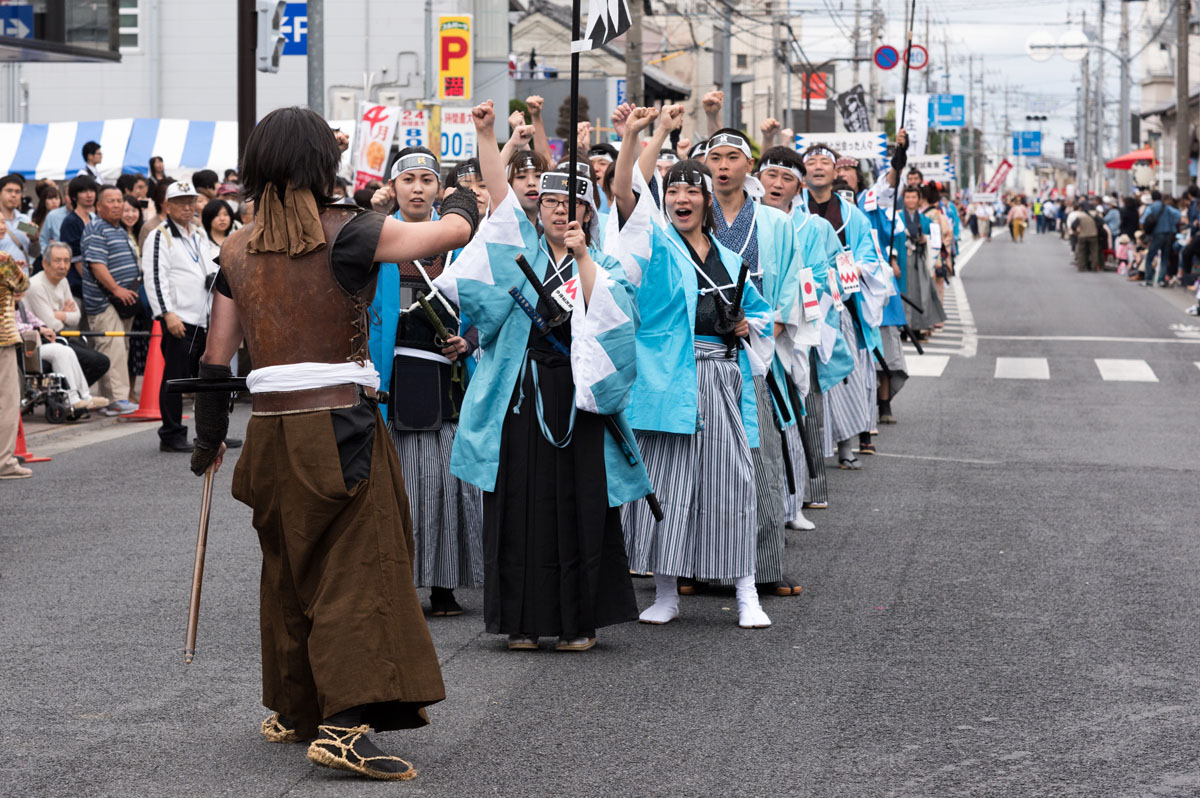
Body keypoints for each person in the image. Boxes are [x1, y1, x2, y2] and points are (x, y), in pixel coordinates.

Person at [190, 106, 479, 780]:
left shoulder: (235, 246)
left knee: (289, 567)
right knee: (359, 570)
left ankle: (296, 710)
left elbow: (215, 357)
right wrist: (463, 189)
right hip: (341, 423)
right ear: (322, 165)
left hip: (269, 429)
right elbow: (450, 234)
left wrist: (209, 442)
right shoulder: (348, 233)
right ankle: (346, 726)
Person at [433, 100, 651, 650]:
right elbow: (499, 199)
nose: (560, 212)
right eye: (552, 201)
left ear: (589, 212)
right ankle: (522, 620)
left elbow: (615, 323)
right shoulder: (516, 249)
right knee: (518, 502)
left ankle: (578, 621)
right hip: (521, 393)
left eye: (573, 203)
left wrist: (582, 262)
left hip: (578, 394)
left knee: (581, 504)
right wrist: (486, 135)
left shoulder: (604, 264)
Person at [615, 146, 775, 630]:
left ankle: (746, 590)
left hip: (723, 379)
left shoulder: (731, 258)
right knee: (669, 487)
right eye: (673, 190)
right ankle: (666, 591)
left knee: (733, 486)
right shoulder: (657, 247)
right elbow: (625, 194)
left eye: (690, 190)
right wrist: (639, 137)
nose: (680, 198)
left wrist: (749, 325)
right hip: (668, 383)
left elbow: (762, 313)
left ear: (707, 199)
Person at [366, 146, 484, 618]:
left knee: (449, 487)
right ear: (393, 188)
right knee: (403, 486)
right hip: (392, 377)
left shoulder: (462, 243)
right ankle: (397, 585)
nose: (417, 188)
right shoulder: (373, 237)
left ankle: (443, 586)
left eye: (427, 180)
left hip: (451, 379)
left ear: (440, 189)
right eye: (408, 179)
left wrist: (470, 341)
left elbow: (491, 303)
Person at [703, 126, 805, 598]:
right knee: (702, 462)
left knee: (758, 458)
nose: (723, 166)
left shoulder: (776, 223)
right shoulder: (690, 217)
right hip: (702, 353)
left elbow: (790, 288)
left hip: (754, 352)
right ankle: (698, 566)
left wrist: (767, 334)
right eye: (715, 157)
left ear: (750, 168)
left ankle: (764, 565)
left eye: (732, 157)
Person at [757, 144, 840, 521]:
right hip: (747, 331)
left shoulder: (814, 227)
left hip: (789, 330)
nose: (776, 184)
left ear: (799, 186)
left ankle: (793, 503)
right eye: (770, 175)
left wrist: (783, 318)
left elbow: (821, 278)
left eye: (786, 178)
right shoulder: (742, 217)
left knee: (790, 411)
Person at [797, 144, 889, 471]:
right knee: (807, 382)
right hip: (803, 306)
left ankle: (846, 446)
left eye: (825, 162)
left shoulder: (855, 216)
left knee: (841, 378)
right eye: (811, 161)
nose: (818, 167)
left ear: (836, 173)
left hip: (840, 306)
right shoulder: (794, 211)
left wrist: (840, 273)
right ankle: (811, 451)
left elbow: (868, 259)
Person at [144, 181, 221, 452]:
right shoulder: (159, 235)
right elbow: (155, 277)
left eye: (191, 202)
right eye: (181, 202)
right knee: (175, 378)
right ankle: (171, 433)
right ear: (167, 206)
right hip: (179, 318)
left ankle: (209, 434)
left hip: (203, 317)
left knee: (205, 379)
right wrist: (167, 314)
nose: (188, 207)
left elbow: (211, 263)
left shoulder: (198, 233)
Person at [81, 185, 142, 415]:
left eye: (119, 200)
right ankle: (116, 398)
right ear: (98, 206)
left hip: (122, 302)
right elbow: (97, 265)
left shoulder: (118, 228)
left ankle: (113, 399)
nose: (117, 205)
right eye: (111, 201)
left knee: (119, 348)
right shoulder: (97, 227)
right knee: (112, 348)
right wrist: (116, 289)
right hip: (105, 301)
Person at [24, 241, 109, 388]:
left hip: (61, 337)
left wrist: (59, 315)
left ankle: (72, 394)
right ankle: (72, 395)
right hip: (43, 340)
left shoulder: (63, 281)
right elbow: (52, 325)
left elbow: (76, 317)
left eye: (66, 261)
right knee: (96, 361)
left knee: (102, 361)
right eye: (57, 261)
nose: (63, 266)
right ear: (45, 263)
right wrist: (63, 315)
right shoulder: (36, 286)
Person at [13, 298, 106, 412]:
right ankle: (71, 400)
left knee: (67, 350)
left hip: (31, 346)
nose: (18, 292)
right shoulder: (4, 304)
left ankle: (84, 396)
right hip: (17, 350)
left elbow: (34, 320)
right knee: (59, 351)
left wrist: (46, 329)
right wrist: (38, 329)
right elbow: (10, 326)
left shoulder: (20, 305)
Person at [0, 251, 30, 478]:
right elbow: (23, 283)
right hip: (2, 336)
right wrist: (14, 267)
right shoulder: (2, 259)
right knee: (8, 401)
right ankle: (4, 462)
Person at [59, 175, 97, 299]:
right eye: (84, 191)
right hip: (78, 284)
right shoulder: (71, 221)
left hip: (95, 279)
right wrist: (92, 284)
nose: (89, 195)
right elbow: (76, 258)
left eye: (92, 191)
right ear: (74, 196)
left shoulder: (93, 218)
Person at [1140, 190, 1182, 287]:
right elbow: (1178, 215)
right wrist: (1171, 224)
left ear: (1152, 198)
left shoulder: (1150, 208)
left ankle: (1148, 279)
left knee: (1150, 257)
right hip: (1168, 234)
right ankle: (1162, 280)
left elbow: (1142, 220)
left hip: (1156, 235)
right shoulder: (1166, 207)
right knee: (1164, 257)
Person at [0, 174, 36, 265]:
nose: (13, 195)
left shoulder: (24, 219)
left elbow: (35, 253)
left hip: (23, 276)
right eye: (9, 191)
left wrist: (35, 240)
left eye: (17, 192)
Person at [1070, 200, 1101, 272]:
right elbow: (1102, 222)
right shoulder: (1094, 214)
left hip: (1082, 235)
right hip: (1093, 235)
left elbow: (1073, 226)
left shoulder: (1080, 216)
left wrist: (1077, 231)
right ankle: (1094, 268)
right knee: (1094, 252)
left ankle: (1081, 267)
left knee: (1081, 252)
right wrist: (1096, 228)